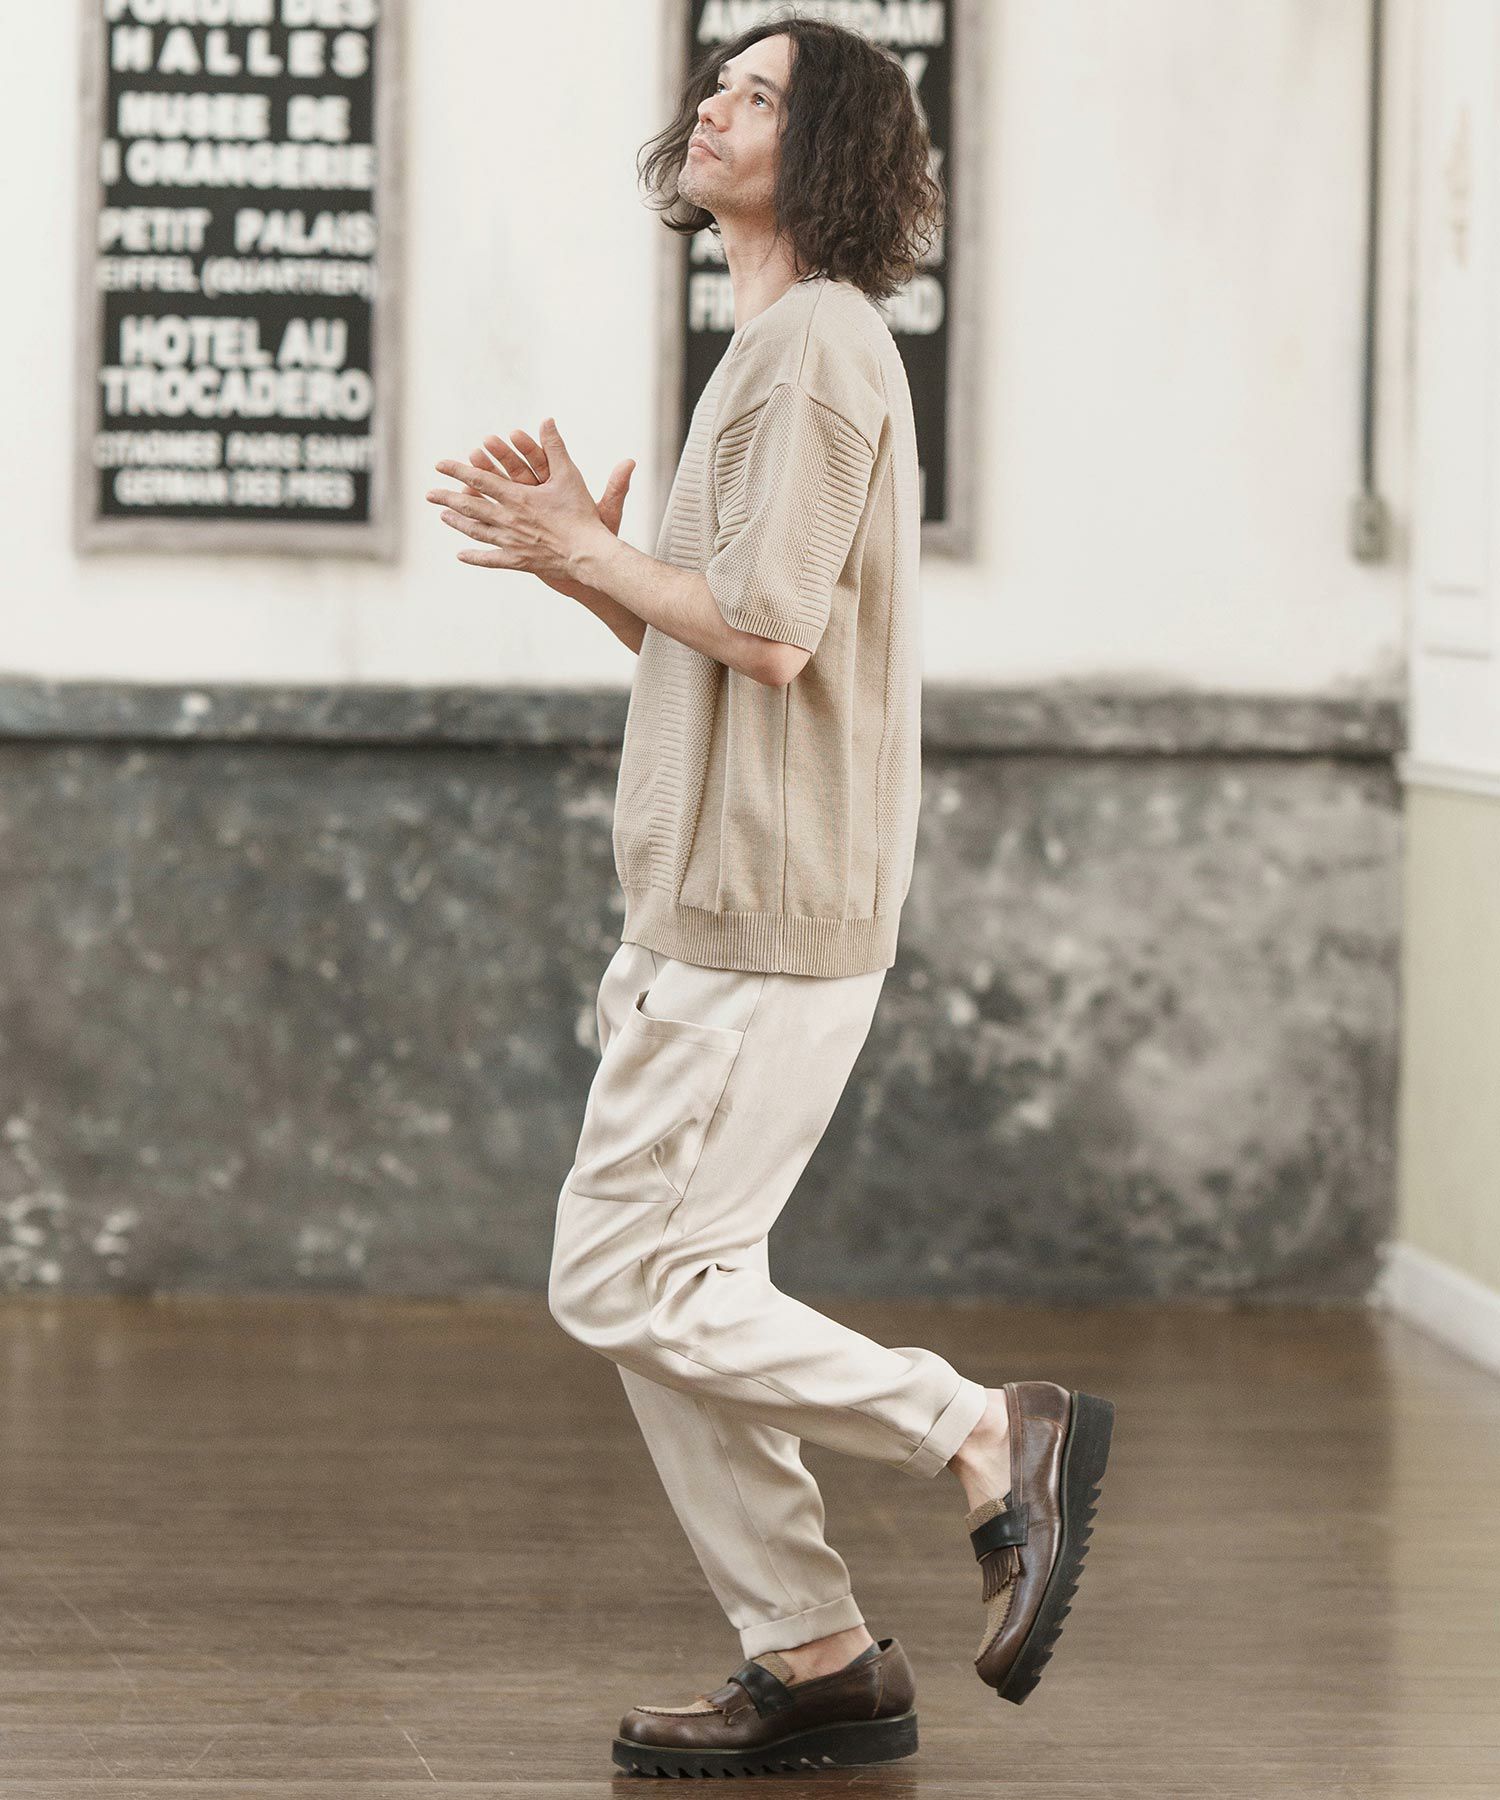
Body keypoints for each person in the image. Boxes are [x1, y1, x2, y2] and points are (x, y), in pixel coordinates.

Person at [426, 14, 1114, 1776]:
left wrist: (595, 547)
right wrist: (590, 571)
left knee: (619, 1280)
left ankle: (984, 1430)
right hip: (727, 904)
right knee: (682, 1296)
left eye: (759, 94)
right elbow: (722, 642)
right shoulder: (778, 346)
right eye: (717, 82)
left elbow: (774, 637)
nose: (716, 106)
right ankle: (812, 1656)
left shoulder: (811, 348)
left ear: (823, 153)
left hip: (758, 914)